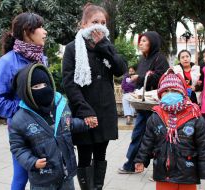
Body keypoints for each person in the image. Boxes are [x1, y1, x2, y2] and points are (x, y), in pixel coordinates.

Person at [62, 3, 127, 189]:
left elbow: (120, 69)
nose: (99, 25)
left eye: (103, 22)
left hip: (105, 112)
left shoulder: (106, 46)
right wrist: (85, 111)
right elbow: (69, 83)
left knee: (101, 155)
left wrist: (105, 46)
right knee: (84, 156)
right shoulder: (73, 48)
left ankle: (97, 187)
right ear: (83, 25)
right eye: (94, 22)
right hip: (85, 112)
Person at [10, 63, 89, 190]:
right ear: (26, 91)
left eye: (45, 85)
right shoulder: (19, 119)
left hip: (66, 174)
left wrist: (86, 123)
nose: (42, 89)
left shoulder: (61, 106)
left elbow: (69, 123)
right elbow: (18, 148)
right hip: (42, 179)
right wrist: (32, 162)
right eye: (36, 86)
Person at [0, 12, 47, 190]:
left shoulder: (41, 58)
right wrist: (26, 109)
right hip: (21, 131)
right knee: (21, 175)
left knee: (46, 173)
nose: (45, 32)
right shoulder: (7, 62)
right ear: (26, 31)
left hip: (44, 125)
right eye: (40, 27)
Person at [134, 68, 205, 190]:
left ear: (182, 93)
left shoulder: (194, 115)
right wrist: (141, 160)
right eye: (166, 91)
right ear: (160, 94)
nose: (170, 93)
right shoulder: (156, 116)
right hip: (163, 172)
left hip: (188, 172)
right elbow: (147, 141)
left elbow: (204, 145)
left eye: (174, 90)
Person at [118, 31, 169, 174]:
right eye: (140, 41)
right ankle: (131, 164)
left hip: (156, 107)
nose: (141, 43)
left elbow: (161, 79)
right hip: (143, 105)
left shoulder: (160, 59)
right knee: (138, 134)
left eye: (144, 41)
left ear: (153, 42)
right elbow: (141, 79)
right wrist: (136, 82)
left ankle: (160, 169)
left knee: (157, 138)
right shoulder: (142, 59)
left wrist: (139, 78)